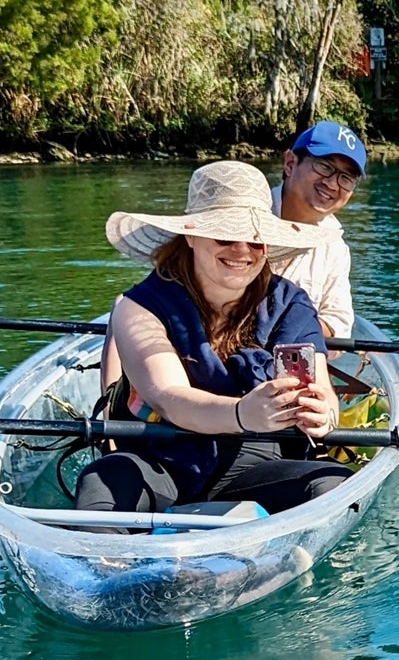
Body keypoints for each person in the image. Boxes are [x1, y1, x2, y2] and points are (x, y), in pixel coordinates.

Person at [75, 161, 354, 516]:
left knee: (332, 483)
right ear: (190, 236)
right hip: (160, 461)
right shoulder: (138, 306)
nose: (242, 251)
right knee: (104, 477)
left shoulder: (290, 304)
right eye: (224, 236)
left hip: (256, 465)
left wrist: (324, 415)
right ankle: (107, 562)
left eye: (255, 240)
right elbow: (169, 397)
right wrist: (241, 413)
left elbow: (320, 385)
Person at [267, 118, 368, 339]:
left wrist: (282, 327)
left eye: (347, 178)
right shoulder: (245, 213)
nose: (332, 184)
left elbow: (337, 324)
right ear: (290, 163)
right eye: (324, 166)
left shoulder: (334, 247)